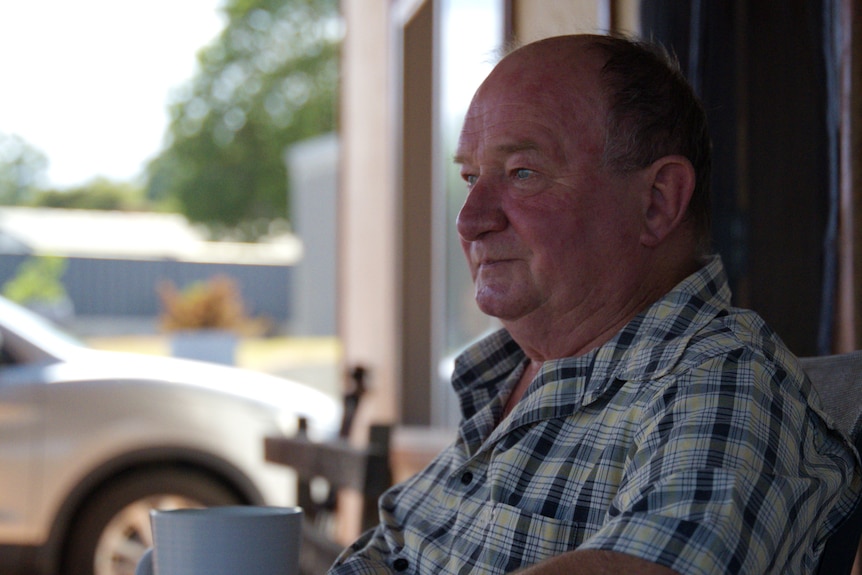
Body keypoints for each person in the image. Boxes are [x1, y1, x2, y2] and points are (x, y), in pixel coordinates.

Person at [329, 34, 861, 574]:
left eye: (523, 173)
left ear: (657, 202)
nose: (470, 220)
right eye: (470, 177)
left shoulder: (720, 379)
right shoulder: (506, 379)